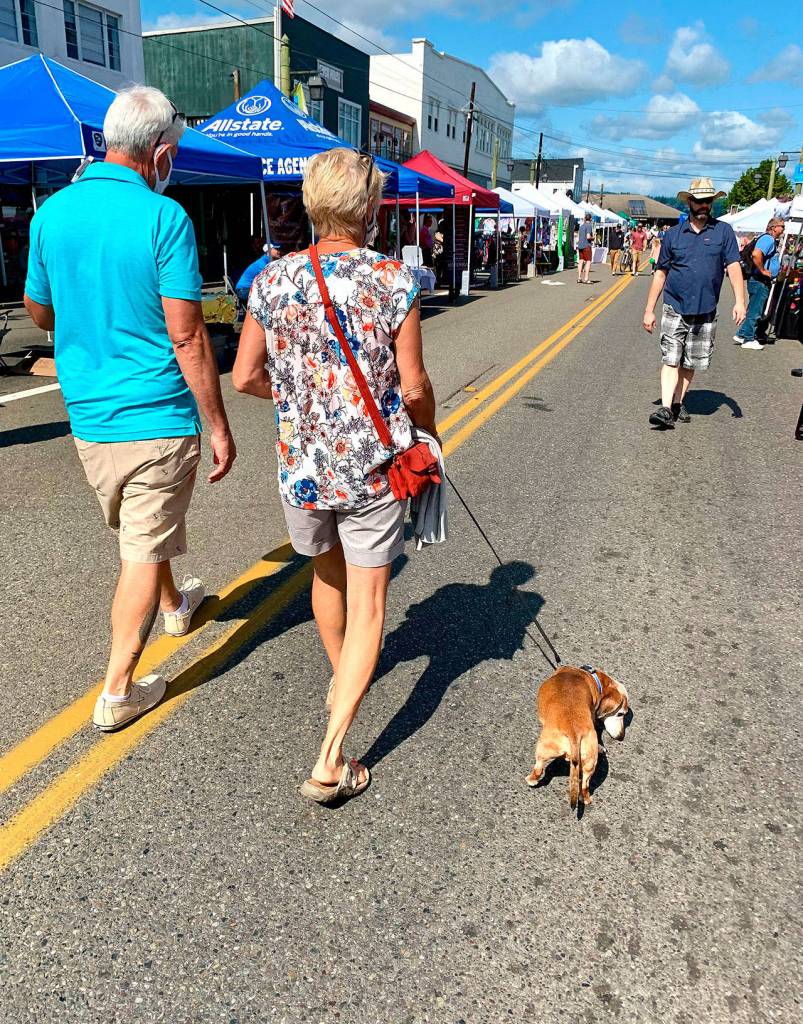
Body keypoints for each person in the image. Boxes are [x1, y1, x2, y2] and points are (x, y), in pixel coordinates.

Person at [23, 86, 237, 731]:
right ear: (162, 152)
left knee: (143, 531)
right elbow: (189, 334)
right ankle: (118, 691)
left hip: (89, 416)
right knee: (139, 552)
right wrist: (218, 424)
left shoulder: (49, 214)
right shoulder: (163, 218)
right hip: (157, 413)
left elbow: (38, 311)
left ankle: (177, 603)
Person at [232, 148, 438, 805]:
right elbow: (411, 388)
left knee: (324, 576)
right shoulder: (391, 280)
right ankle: (330, 756)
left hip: (303, 467)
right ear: (371, 208)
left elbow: (244, 376)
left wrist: (299, 402)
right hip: (371, 469)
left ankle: (343, 675)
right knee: (370, 601)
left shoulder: (269, 281)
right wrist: (429, 431)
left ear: (312, 204)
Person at [642, 177, 746, 429]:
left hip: (706, 309)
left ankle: (678, 401)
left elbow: (733, 266)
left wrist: (740, 301)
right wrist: (649, 309)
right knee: (671, 357)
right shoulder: (673, 235)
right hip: (674, 306)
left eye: (707, 201)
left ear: (712, 203)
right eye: (698, 201)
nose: (703, 206)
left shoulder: (723, 232)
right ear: (689, 202)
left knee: (690, 362)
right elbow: (661, 273)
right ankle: (666, 408)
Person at [734, 217, 785, 351]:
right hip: (759, 280)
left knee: (754, 308)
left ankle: (742, 334)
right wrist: (763, 270)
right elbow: (757, 254)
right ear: (773, 227)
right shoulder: (768, 239)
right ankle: (749, 338)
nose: (783, 229)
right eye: (782, 226)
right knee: (756, 311)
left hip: (758, 280)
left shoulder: (767, 239)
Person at [577, 213, 594, 284]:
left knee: (580, 261)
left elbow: (579, 236)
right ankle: (586, 278)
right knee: (588, 261)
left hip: (580, 245)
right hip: (586, 246)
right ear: (590, 219)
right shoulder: (589, 226)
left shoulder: (581, 226)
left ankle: (579, 277)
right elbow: (588, 236)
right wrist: (593, 238)